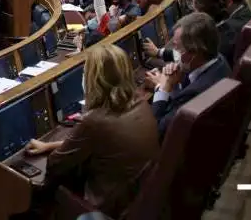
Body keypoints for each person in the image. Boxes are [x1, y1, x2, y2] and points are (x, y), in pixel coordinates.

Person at [24, 44, 159, 218]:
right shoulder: (140, 103)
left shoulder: (95, 121)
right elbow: (104, 142)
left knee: (39, 197)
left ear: (94, 79)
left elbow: (55, 165)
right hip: (139, 201)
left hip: (108, 210)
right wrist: (50, 145)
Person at [146, 11, 232, 137]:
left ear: (194, 53)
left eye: (176, 48)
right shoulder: (218, 59)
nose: (174, 53)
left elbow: (157, 131)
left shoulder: (197, 93)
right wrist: (173, 82)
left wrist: (162, 88)